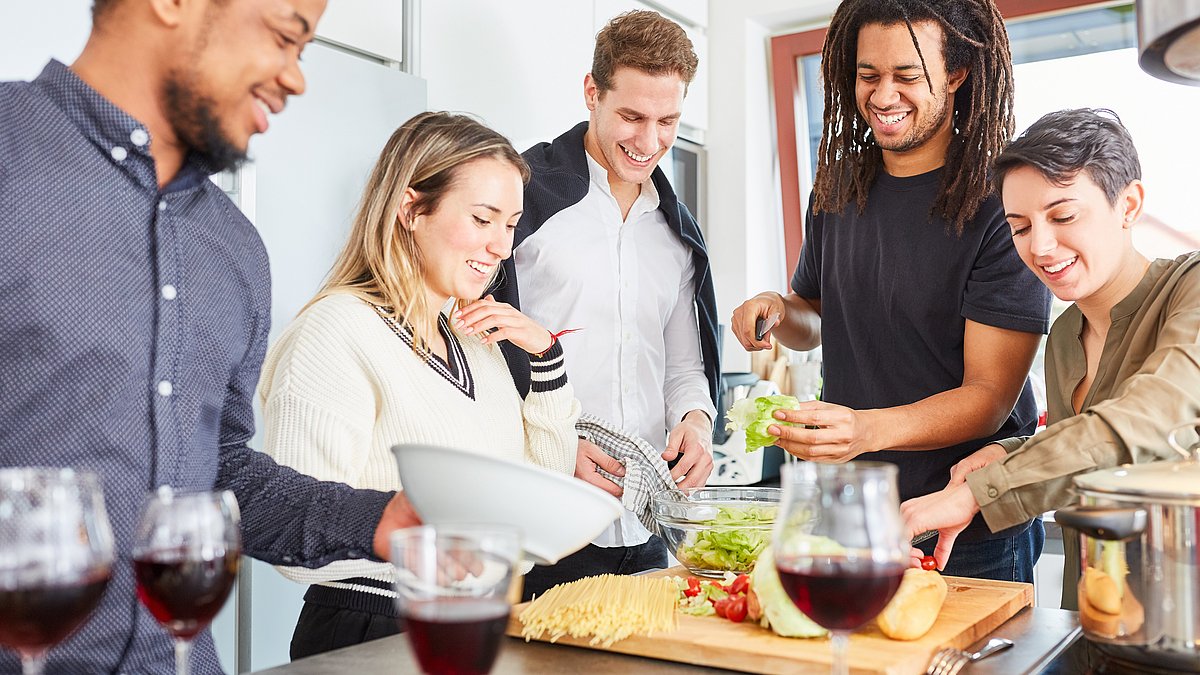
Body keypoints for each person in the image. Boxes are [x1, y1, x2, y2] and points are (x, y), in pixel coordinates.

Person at [0, 1, 420, 671]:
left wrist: (376, 520)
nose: (296, 78)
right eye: (287, 37)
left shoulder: (235, 249)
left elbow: (216, 470)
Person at [730, 0, 1052, 583]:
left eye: (907, 76)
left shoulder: (1002, 204)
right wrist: (779, 310)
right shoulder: (838, 184)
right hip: (853, 511)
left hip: (962, 521)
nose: (883, 96)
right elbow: (818, 315)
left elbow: (989, 397)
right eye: (868, 75)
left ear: (956, 74)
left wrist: (864, 430)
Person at [259, 111, 580, 659]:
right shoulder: (336, 331)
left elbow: (535, 507)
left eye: (511, 224)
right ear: (411, 208)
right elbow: (294, 537)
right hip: (374, 631)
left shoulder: (475, 340)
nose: (502, 247)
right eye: (483, 219)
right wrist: (454, 550)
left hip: (478, 623)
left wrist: (546, 360)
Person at [900, 108, 1200, 608]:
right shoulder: (1065, 334)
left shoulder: (1191, 287)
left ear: (1129, 204)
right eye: (1019, 227)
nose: (1040, 246)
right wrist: (1008, 453)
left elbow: (1150, 420)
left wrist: (981, 491)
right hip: (1097, 614)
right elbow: (1084, 454)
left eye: (1063, 216)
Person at [491, 10, 720, 599]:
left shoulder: (677, 232)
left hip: (646, 527)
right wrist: (553, 446)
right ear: (591, 92)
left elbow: (684, 368)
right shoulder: (521, 197)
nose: (650, 143)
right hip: (541, 519)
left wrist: (695, 422)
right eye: (632, 117)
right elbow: (472, 353)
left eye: (668, 120)